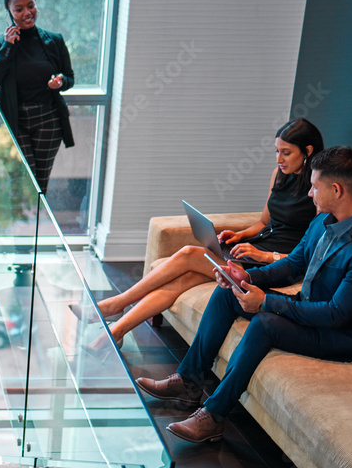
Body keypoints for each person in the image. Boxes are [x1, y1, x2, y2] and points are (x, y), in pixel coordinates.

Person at [136, 146, 352, 443]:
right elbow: (294, 264)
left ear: (336, 190)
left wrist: (266, 302)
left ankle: (213, 416)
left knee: (265, 324)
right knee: (228, 294)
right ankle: (189, 380)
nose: (310, 193)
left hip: (344, 335)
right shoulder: (323, 220)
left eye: (314, 187)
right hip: (311, 307)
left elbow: (335, 314)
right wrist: (245, 277)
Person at [84, 118, 323, 351]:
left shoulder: (319, 193)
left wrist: (264, 256)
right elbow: (263, 222)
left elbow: (309, 255)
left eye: (286, 153)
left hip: (273, 268)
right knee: (184, 280)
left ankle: (116, 304)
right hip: (251, 253)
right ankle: (116, 332)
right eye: (276, 151)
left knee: (189, 254)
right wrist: (239, 236)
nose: (279, 159)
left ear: (308, 151)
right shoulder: (279, 175)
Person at [0, 0, 75, 194]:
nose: (27, 12)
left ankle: (38, 226)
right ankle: (17, 223)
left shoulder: (55, 40)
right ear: (10, 13)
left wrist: (60, 82)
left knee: (40, 184)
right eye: (19, 9)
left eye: (30, 6)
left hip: (48, 121)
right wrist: (7, 47)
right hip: (15, 120)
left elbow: (69, 78)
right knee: (21, 182)